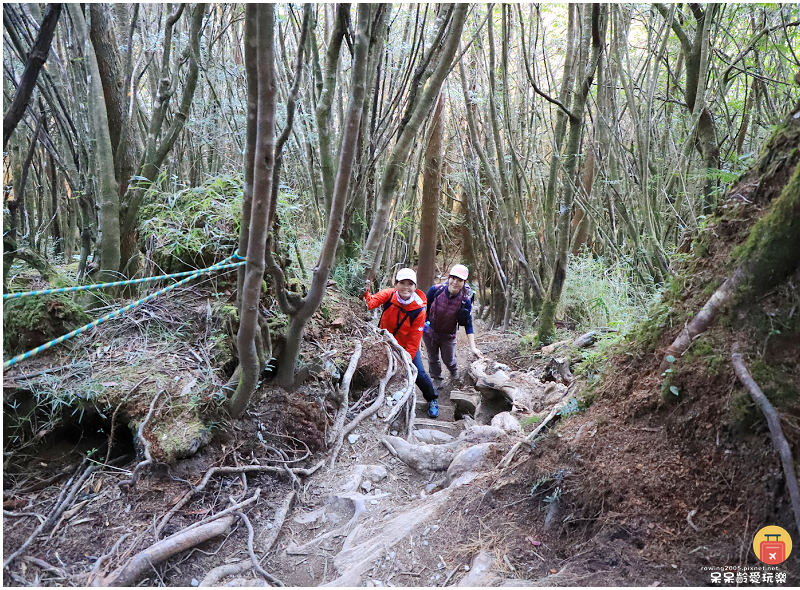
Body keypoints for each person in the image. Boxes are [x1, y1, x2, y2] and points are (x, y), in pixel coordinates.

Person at [362, 268, 440, 418]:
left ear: (415, 287)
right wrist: (364, 290)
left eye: (410, 284)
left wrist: (406, 362)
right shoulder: (389, 294)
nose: (406, 287)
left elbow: (414, 340)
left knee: (420, 374)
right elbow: (370, 303)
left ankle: (432, 399)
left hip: (406, 347)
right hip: (384, 343)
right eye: (402, 283)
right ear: (395, 284)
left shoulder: (419, 309)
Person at [423, 264, 482, 383]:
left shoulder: (465, 300)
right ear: (449, 278)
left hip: (448, 336)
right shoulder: (435, 290)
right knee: (432, 358)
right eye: (453, 278)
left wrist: (473, 347)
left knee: (448, 359)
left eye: (459, 280)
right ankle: (436, 378)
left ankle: (453, 371)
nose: (455, 282)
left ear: (464, 282)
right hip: (430, 332)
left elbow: (468, 324)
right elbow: (423, 309)